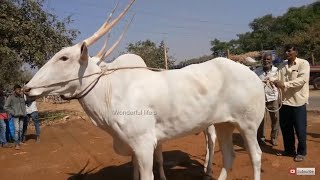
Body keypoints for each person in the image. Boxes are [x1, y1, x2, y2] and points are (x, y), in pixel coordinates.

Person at [272, 44, 310, 162]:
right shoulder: (282, 65)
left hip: (298, 102)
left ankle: (301, 152)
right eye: (286, 51)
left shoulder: (303, 64)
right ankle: (289, 150)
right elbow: (275, 76)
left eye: (289, 51)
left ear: (296, 52)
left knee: (300, 129)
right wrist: (270, 80)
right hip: (284, 102)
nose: (287, 53)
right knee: (286, 129)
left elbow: (302, 80)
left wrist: (284, 84)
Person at [254, 53, 280, 146]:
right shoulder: (257, 71)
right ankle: (260, 138)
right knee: (260, 119)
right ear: (262, 60)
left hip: (273, 98)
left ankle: (274, 137)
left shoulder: (277, 70)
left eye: (268, 59)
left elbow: (279, 82)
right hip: (261, 99)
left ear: (271, 61)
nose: (266, 61)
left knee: (275, 119)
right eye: (264, 59)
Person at [4, 85, 27, 150]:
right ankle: (16, 143)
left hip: (22, 115)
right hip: (15, 116)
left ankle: (19, 141)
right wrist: (13, 112)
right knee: (16, 130)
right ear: (14, 90)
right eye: (17, 89)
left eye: (19, 89)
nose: (19, 90)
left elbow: (24, 105)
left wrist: (24, 112)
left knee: (20, 129)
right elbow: (6, 107)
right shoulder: (11, 97)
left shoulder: (21, 97)